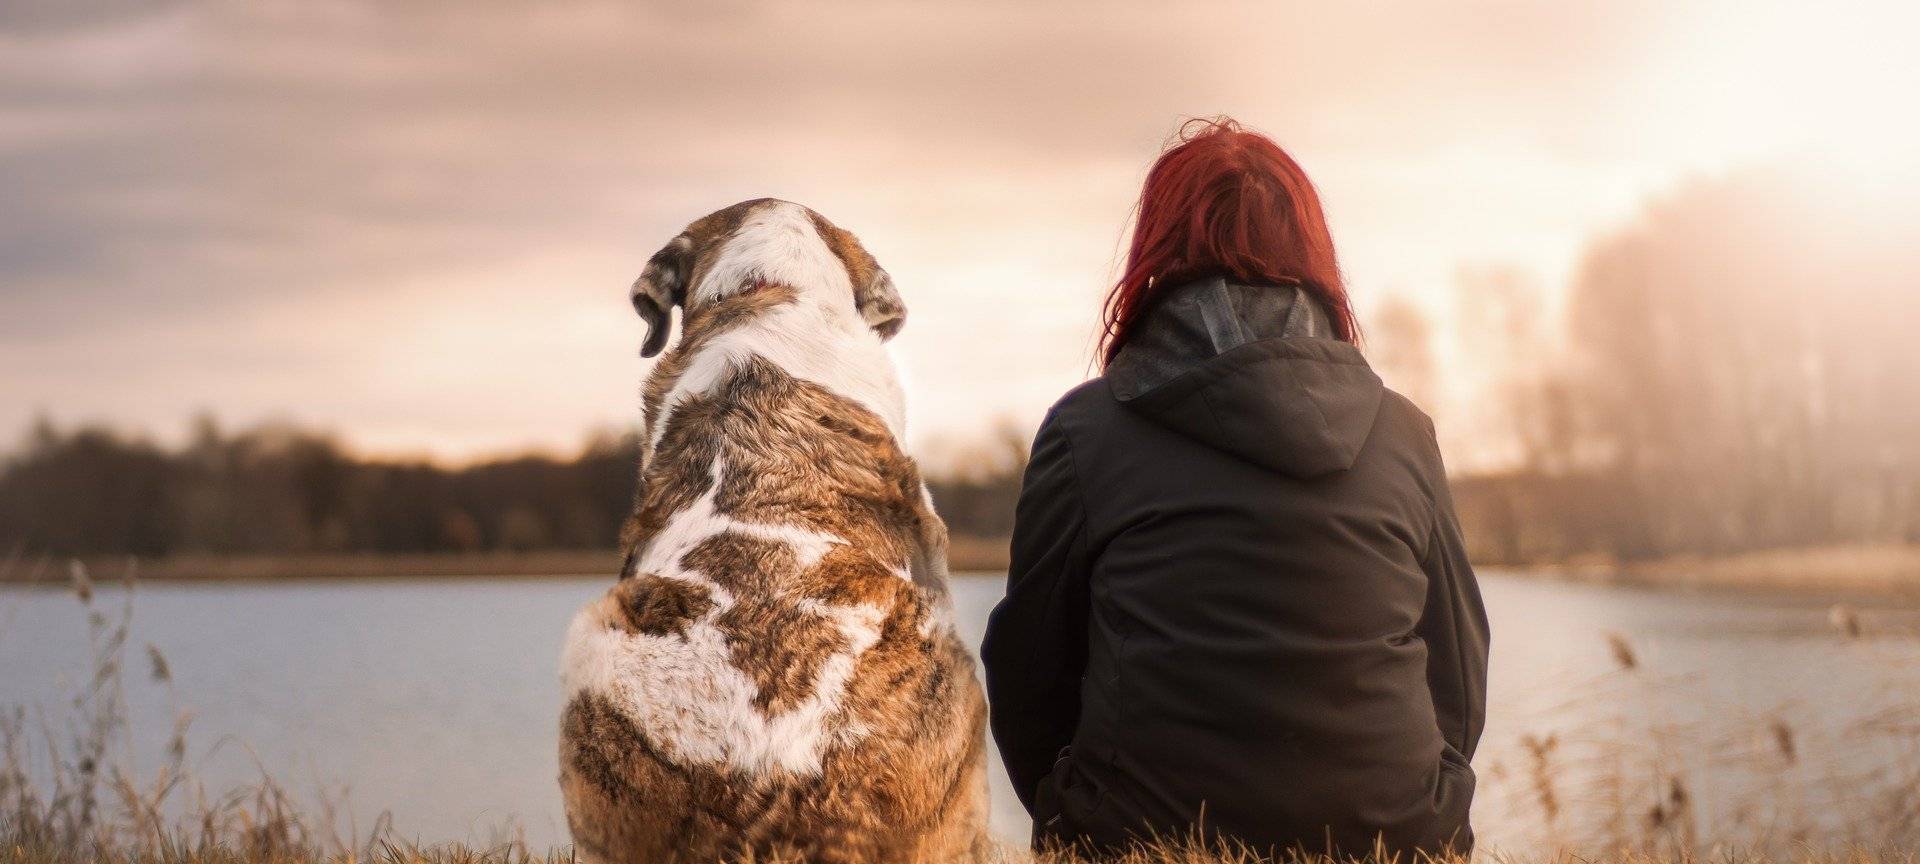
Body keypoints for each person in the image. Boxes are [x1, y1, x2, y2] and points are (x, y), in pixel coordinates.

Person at [981, 118, 1489, 858]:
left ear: (1156, 251)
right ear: (1312, 253)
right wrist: (1424, 805)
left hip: (1143, 844)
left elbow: (1028, 675)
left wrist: (1074, 817)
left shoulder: (1085, 433)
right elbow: (1460, 673)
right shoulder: (1404, 433)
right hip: (1391, 842)